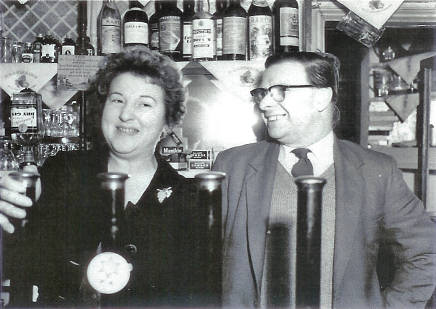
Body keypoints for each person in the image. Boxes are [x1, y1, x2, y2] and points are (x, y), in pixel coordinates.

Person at [212, 51, 436, 308]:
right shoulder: (232, 166)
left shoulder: (377, 171)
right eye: (261, 93)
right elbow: (196, 262)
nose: (263, 104)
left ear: (322, 96)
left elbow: (427, 251)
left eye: (279, 91)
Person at [0, 46, 199, 307]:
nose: (126, 114)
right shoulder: (61, 173)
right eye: (117, 99)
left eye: (145, 104)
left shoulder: (187, 198)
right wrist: (11, 212)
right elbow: (17, 261)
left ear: (168, 121)